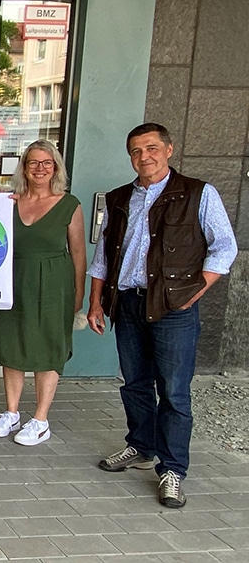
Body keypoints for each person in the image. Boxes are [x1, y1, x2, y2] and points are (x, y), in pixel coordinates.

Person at [87, 123, 236, 509]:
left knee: (173, 392)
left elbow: (225, 247)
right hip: (129, 304)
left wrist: (192, 293)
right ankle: (140, 445)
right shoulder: (121, 197)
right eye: (136, 151)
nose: (144, 157)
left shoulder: (198, 193)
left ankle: (172, 469)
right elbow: (105, 255)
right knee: (134, 383)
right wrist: (96, 301)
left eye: (152, 148)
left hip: (173, 308)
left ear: (169, 149)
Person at [0, 140, 85, 446]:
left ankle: (41, 419)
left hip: (54, 282)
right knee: (11, 344)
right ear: (24, 167)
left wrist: (78, 294)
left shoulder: (70, 204)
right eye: (33, 163)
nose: (40, 169)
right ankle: (12, 412)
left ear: (55, 167)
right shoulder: (8, 202)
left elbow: (79, 253)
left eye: (47, 163)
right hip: (14, 280)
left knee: (48, 348)